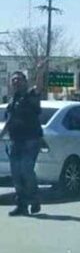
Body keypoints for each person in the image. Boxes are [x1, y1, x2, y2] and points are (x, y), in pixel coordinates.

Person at [0, 71, 43, 216]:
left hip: (31, 140)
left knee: (26, 169)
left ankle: (34, 198)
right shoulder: (12, 101)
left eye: (18, 80)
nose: (16, 82)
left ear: (25, 82)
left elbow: (39, 87)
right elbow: (9, 121)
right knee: (16, 173)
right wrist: (1, 135)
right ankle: (21, 205)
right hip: (16, 141)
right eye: (13, 80)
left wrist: (40, 71)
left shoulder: (31, 95)